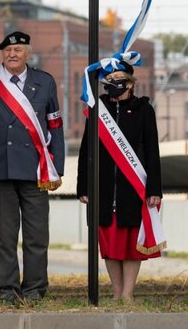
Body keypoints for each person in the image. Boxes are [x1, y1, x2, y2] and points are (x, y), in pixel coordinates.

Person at [0, 31, 65, 303]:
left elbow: (54, 124)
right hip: (0, 168)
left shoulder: (44, 82)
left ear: (28, 52)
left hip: (36, 170)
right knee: (5, 235)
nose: (12, 54)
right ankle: (7, 289)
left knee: (37, 235)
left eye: (18, 50)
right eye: (7, 50)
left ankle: (34, 289)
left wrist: (57, 167)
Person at [77, 63, 163, 302]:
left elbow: (152, 150)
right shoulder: (98, 109)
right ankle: (116, 292)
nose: (112, 83)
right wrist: (83, 186)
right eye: (109, 78)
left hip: (133, 187)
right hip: (103, 188)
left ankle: (128, 293)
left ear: (129, 83)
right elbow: (86, 150)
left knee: (130, 243)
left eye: (117, 78)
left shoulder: (143, 110)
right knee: (109, 243)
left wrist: (155, 188)